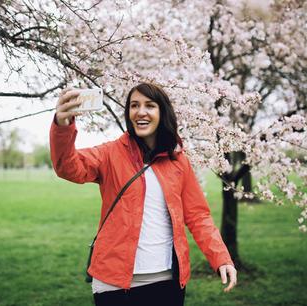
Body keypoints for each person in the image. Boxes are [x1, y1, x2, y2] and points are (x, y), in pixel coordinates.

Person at [50, 83, 237, 306]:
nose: (140, 111)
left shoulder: (178, 161)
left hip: (167, 280)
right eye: (134, 105)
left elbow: (198, 216)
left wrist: (221, 257)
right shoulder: (110, 153)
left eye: (150, 105)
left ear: (162, 113)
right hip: (114, 284)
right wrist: (63, 125)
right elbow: (68, 167)